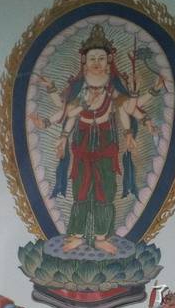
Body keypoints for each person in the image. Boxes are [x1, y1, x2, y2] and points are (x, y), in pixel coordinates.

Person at [28, 24, 164, 254]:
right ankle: (76, 235)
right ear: (84, 61)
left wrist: (148, 107)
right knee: (81, 188)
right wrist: (58, 133)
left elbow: (130, 108)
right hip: (81, 143)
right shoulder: (81, 90)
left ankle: (102, 237)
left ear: (109, 61)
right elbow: (66, 111)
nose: (97, 63)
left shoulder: (112, 90)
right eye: (93, 58)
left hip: (105, 142)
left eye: (101, 58)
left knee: (105, 188)